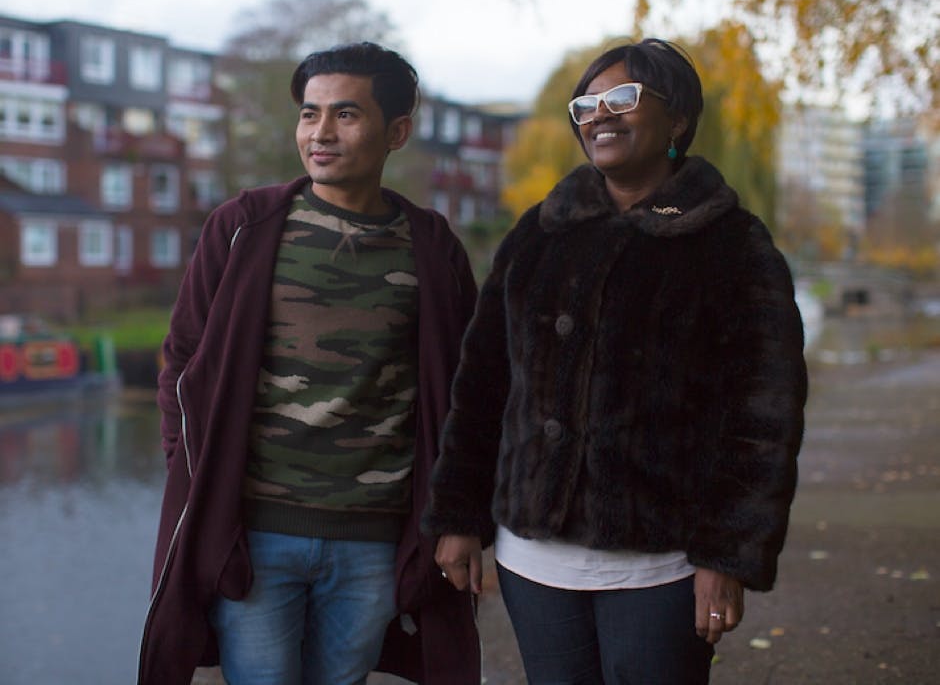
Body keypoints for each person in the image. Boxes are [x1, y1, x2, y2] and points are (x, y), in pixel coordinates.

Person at [422, 38, 808, 684]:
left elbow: (763, 419)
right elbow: (483, 382)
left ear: (678, 117)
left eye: (622, 98)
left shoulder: (732, 243)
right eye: (587, 104)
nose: (599, 115)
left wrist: (729, 556)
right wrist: (459, 515)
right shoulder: (538, 232)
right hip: (533, 561)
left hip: (665, 564)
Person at [138, 42, 480, 685]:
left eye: (346, 115)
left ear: (397, 130)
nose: (320, 133)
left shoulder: (432, 248)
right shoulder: (243, 227)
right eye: (308, 114)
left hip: (375, 540)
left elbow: (466, 396)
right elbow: (182, 362)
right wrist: (191, 474)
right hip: (257, 535)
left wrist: (461, 519)